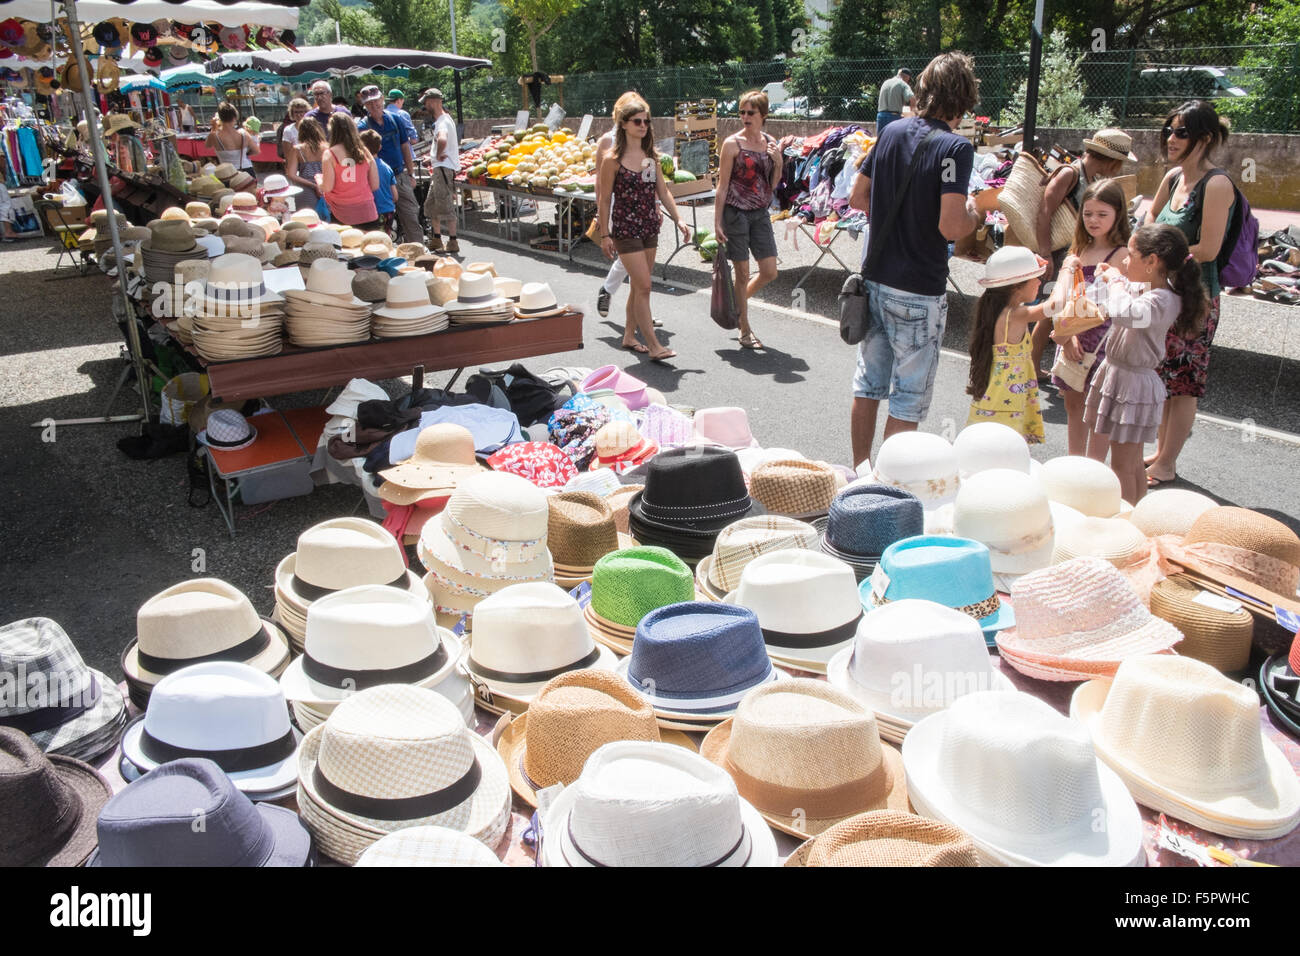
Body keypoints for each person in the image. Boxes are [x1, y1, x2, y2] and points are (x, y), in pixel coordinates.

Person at [847, 51, 981, 468]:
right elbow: (950, 227)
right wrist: (976, 212)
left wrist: (896, 215)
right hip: (919, 289)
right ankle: (888, 486)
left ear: (922, 89)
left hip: (877, 278)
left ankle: (860, 472)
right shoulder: (955, 148)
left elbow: (857, 196)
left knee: (868, 385)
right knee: (906, 398)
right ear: (964, 97)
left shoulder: (890, 132)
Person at [1140, 100, 1234, 489]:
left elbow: (1208, 249)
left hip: (1196, 299)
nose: (1171, 138)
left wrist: (1162, 254)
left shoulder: (1217, 184)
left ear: (1205, 138)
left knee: (1185, 383)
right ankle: (1162, 453)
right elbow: (1149, 219)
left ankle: (1168, 462)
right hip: (1165, 294)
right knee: (1163, 376)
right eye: (1168, 130)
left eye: (1181, 132)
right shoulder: (1173, 178)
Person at [1082, 224, 1209, 504]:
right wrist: (1112, 279)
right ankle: (1137, 515)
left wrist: (1114, 281)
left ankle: (1128, 520)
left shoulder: (1162, 299)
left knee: (1122, 466)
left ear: (1152, 261)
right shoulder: (1152, 289)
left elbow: (1126, 313)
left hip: (1132, 384)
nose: (1125, 262)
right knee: (1132, 462)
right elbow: (1121, 298)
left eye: (1130, 255)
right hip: (1123, 377)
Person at [1030, 128, 1135, 378]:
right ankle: (1030, 366)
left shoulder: (1088, 176)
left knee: (1054, 310)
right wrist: (1045, 253)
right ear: (1111, 160)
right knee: (1050, 310)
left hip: (1068, 250)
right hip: (1056, 252)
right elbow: (1045, 209)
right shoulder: (1071, 173)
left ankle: (1032, 365)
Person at [596, 94, 691, 362]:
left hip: (650, 226)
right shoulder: (611, 159)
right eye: (637, 121)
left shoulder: (651, 157)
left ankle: (628, 335)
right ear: (623, 124)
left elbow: (663, 191)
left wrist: (679, 219)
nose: (643, 126)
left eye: (646, 121)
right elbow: (603, 199)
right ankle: (654, 345)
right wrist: (605, 234)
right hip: (626, 230)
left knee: (638, 287)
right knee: (645, 286)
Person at [1048, 178, 1131, 459]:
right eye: (1088, 214)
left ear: (1118, 215)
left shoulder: (1122, 255)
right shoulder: (1078, 251)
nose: (1093, 220)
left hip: (1102, 342)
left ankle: (1094, 469)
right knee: (1073, 405)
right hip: (1072, 334)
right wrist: (1067, 336)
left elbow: (1117, 305)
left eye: (1102, 214)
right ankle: (1074, 464)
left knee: (1098, 410)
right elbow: (1063, 299)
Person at [714, 89, 782, 351]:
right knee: (742, 273)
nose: (745, 116)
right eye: (742, 111)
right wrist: (717, 222)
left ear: (763, 115)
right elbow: (722, 186)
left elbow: (773, 184)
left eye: (750, 112)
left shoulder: (770, 143)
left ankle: (734, 304)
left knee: (769, 271)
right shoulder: (732, 144)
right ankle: (744, 328)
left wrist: (778, 162)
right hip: (735, 214)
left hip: (760, 214)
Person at [965, 246, 1050, 443]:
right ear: (1016, 286)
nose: (1040, 281)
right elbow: (1059, 304)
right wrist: (1068, 269)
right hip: (1006, 409)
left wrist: (1026, 262)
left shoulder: (997, 310)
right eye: (1035, 277)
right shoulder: (1017, 315)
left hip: (994, 403)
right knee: (1006, 457)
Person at [593, 92, 639, 319]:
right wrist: (602, 216)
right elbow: (600, 184)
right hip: (616, 208)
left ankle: (614, 293)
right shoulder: (606, 142)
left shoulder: (642, 138)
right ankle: (614, 293)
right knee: (630, 256)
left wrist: (657, 205)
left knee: (637, 259)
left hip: (641, 210)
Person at [358, 84, 421, 244]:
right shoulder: (362, 127)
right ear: (364, 105)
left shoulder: (396, 119)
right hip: (377, 180)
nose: (374, 105)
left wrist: (411, 174)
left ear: (382, 99)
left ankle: (419, 253)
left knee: (411, 216)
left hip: (399, 175)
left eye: (376, 101)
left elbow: (405, 146)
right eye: (369, 103)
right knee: (379, 223)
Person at [319, 112, 380, 229]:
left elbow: (327, 187)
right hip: (367, 212)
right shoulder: (364, 151)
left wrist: (319, 181)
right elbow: (375, 185)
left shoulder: (330, 154)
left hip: (341, 214)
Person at [421, 88, 460, 254]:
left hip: (443, 169)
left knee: (445, 206)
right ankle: (437, 238)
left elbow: (442, 139)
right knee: (431, 205)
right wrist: (434, 158)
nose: (425, 106)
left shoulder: (442, 122)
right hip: (440, 168)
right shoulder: (445, 119)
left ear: (434, 102)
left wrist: (437, 155)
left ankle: (452, 241)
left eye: (427, 102)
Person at [286, 116, 325, 216]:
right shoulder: (327, 148)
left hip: (305, 190)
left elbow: (291, 174)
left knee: (307, 220)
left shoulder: (297, 149)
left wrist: (313, 185)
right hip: (326, 187)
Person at [360, 128, 397, 233]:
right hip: (388, 211)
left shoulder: (363, 167)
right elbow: (395, 196)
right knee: (384, 241)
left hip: (373, 212)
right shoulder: (387, 167)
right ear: (380, 147)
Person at [205, 101, 259, 175]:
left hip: (227, 173)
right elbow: (256, 151)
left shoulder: (214, 135)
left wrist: (214, 128)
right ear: (235, 117)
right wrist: (244, 153)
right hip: (246, 171)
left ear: (220, 117)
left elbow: (207, 146)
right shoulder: (244, 134)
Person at [876, 68, 914, 132]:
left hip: (881, 116)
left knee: (881, 140)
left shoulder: (886, 82)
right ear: (907, 77)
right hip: (894, 117)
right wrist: (913, 115)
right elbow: (912, 98)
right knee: (894, 141)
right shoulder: (903, 84)